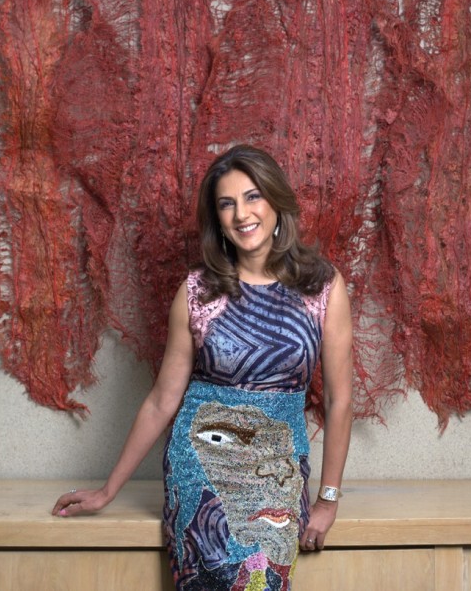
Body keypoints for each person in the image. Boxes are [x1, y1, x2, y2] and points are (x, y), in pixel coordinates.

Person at [52, 144, 353, 590]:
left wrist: (327, 499)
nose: (241, 214)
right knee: (217, 555)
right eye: (226, 204)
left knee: (260, 568)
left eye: (252, 197)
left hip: (278, 462)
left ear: (276, 201)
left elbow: (339, 399)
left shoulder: (322, 287)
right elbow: (161, 400)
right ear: (217, 218)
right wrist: (107, 489)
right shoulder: (198, 291)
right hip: (202, 458)